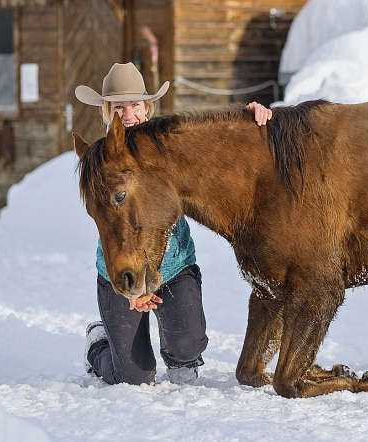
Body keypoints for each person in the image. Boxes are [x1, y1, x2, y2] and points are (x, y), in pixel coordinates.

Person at [75, 62, 271, 385]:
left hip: (174, 267)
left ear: (147, 108)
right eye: (118, 107)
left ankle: (178, 349)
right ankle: (98, 345)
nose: (127, 115)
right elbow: (112, 231)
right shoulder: (103, 164)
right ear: (106, 113)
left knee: (186, 359)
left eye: (135, 104)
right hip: (122, 274)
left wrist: (251, 119)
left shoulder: (170, 146)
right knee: (133, 377)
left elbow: (214, 142)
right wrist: (131, 287)